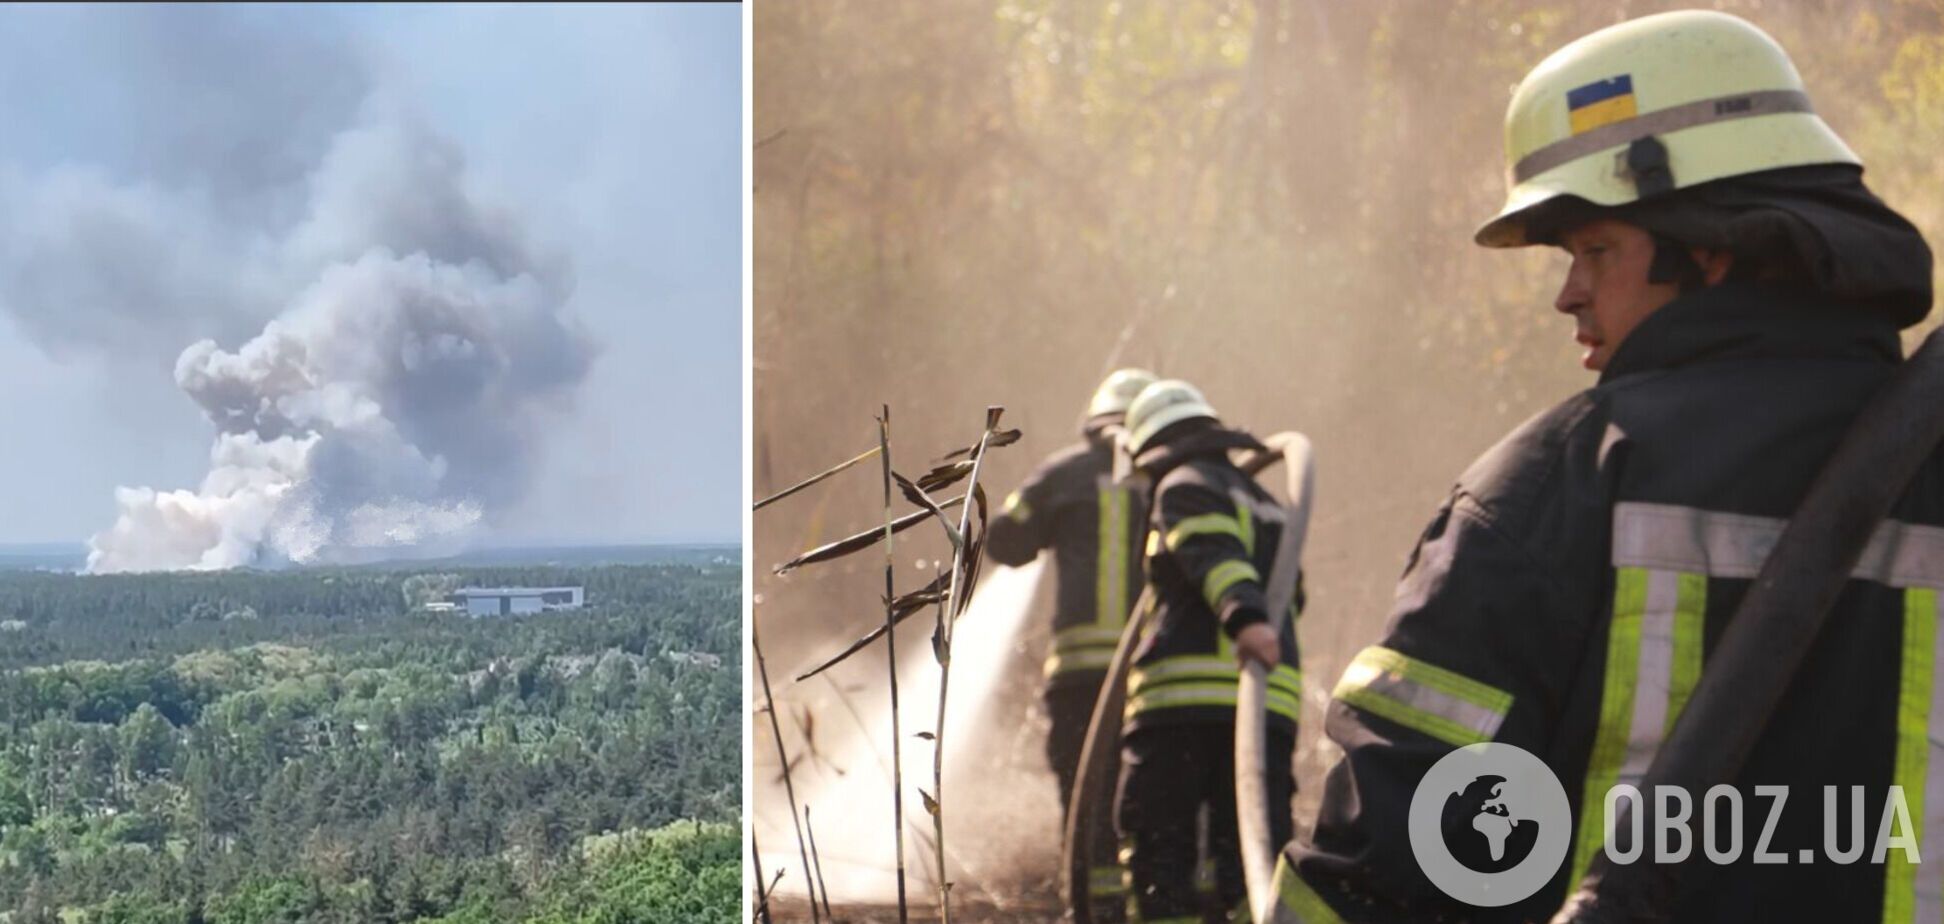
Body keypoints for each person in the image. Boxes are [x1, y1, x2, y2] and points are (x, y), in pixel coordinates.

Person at [1270, 9, 1937, 922]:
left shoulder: (1559, 485)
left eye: (1596, 249)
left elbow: (1392, 863)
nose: (1567, 294)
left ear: (1713, 245)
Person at [1115, 379, 1302, 923]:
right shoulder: (1265, 500)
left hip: (1181, 705)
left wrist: (1241, 617)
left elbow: (1210, 549)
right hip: (1267, 705)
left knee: (1158, 848)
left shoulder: (1183, 485)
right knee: (1247, 856)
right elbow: (1295, 591)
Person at [986, 367, 1157, 921]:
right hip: (1152, 673)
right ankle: (1149, 895)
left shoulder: (1062, 474)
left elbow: (1005, 540)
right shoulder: (1172, 480)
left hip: (1081, 673)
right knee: (1150, 785)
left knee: (1085, 785)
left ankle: (1089, 901)